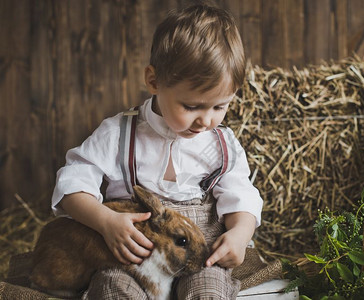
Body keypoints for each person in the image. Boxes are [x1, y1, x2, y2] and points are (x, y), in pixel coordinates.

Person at [51, 3, 263, 299]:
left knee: (208, 292)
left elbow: (243, 198)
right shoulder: (118, 135)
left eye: (220, 106)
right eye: (191, 106)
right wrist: (106, 221)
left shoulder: (222, 145)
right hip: (132, 264)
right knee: (112, 289)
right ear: (153, 81)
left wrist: (240, 235)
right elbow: (72, 186)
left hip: (203, 261)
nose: (206, 120)